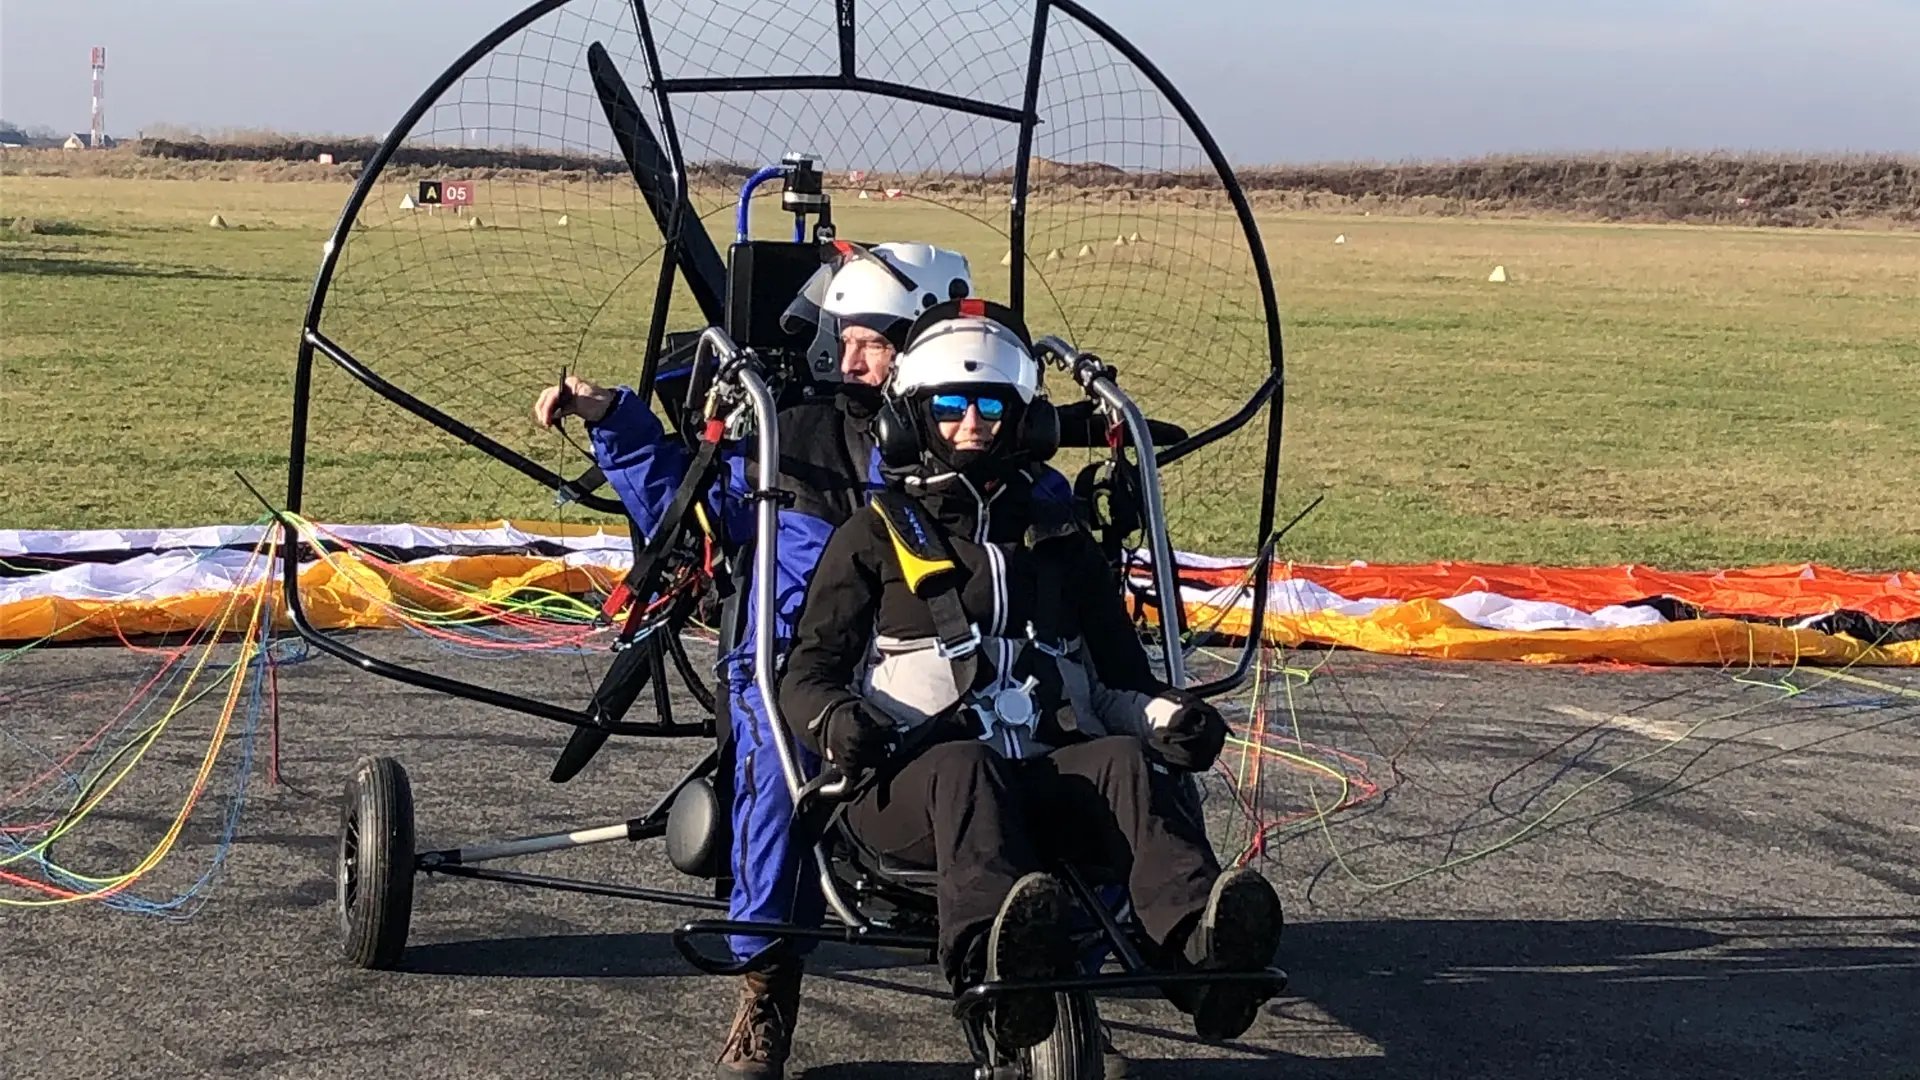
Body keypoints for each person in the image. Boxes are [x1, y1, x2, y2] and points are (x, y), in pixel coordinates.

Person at [535, 242, 1006, 1079]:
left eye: (874, 341)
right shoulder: (795, 438)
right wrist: (614, 416)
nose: (849, 358)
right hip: (800, 667)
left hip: (946, 666)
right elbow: (697, 510)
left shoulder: (973, 434)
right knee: (775, 756)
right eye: (844, 337)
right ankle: (766, 983)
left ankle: (1049, 962)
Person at [778, 300, 1286, 1053]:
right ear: (911, 417)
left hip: (1042, 776)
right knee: (967, 766)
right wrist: (838, 722)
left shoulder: (1060, 541)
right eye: (950, 406)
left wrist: (1170, 721)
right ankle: (994, 964)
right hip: (907, 788)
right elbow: (806, 673)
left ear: (1023, 421)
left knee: (1121, 760)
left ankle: (1201, 955)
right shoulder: (874, 535)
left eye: (993, 406)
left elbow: (1120, 684)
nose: (973, 422)